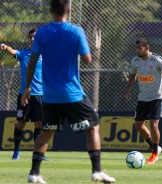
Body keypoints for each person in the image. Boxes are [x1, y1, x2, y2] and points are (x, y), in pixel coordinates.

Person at [21, 0, 115, 183]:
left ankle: (34, 173)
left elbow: (32, 61)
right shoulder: (76, 31)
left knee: (46, 132)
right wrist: (93, 48)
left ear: (50, 10)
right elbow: (87, 59)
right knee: (94, 125)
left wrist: (27, 88)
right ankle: (96, 170)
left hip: (49, 95)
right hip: (71, 93)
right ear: (69, 10)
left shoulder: (42, 33)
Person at [125, 38, 162, 164]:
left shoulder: (156, 60)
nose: (137, 50)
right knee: (139, 125)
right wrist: (129, 90)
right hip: (143, 97)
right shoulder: (135, 61)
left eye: (139, 48)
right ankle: (154, 146)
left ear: (147, 48)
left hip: (157, 96)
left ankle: (154, 153)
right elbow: (132, 75)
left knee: (153, 124)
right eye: (136, 48)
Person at [0, 29, 47, 161]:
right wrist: (5, 47)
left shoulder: (45, 55)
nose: (32, 39)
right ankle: (16, 151)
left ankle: (38, 153)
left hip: (40, 95)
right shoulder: (24, 54)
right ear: (28, 39)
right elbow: (13, 51)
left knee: (39, 124)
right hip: (24, 96)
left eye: (35, 37)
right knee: (21, 123)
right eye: (30, 37)